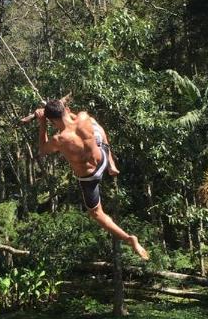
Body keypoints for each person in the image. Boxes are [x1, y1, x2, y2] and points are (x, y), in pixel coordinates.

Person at [34, 98, 149, 260]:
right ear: (66, 109)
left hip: (90, 176)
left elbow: (42, 149)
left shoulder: (59, 140)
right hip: (101, 158)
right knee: (96, 126)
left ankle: (129, 239)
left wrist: (42, 123)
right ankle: (111, 163)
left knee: (96, 213)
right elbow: (83, 121)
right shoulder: (83, 117)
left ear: (52, 120)